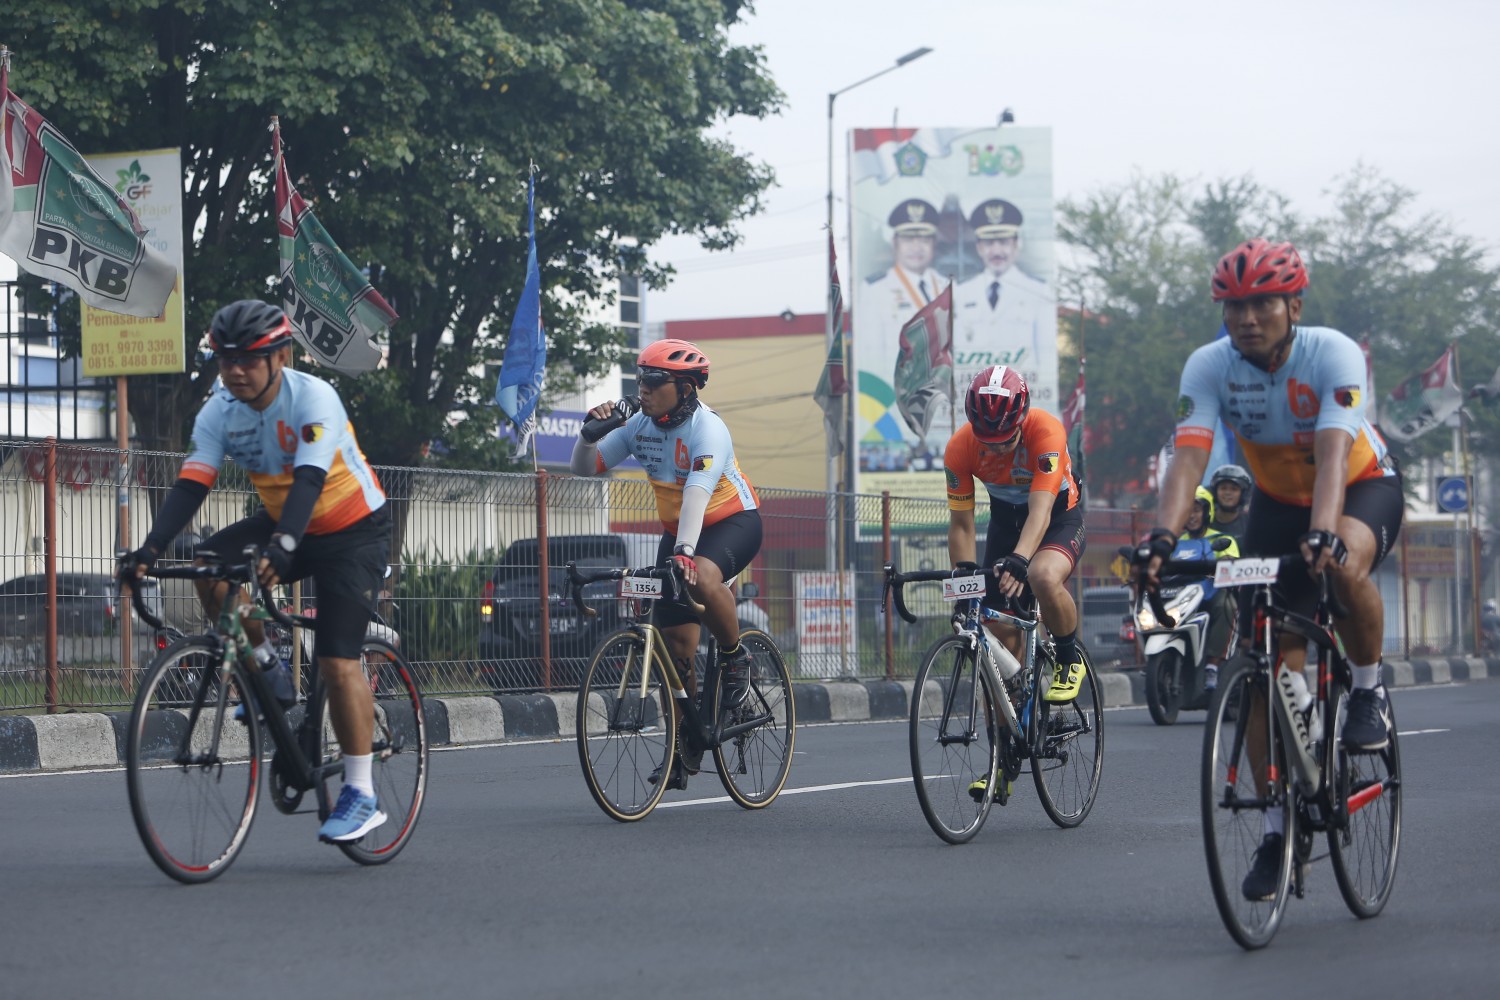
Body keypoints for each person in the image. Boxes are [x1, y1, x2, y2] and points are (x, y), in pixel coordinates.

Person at [1137, 238, 1403, 901]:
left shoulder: (1333, 354)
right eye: (1234, 307)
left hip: (1359, 488)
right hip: (1278, 505)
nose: (1247, 318)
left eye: (1262, 304)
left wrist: (1323, 533)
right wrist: (1162, 537)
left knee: (1342, 566)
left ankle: (1366, 689)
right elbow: (1189, 459)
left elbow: (1334, 455)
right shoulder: (1210, 366)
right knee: (1261, 669)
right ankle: (1279, 831)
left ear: (1294, 307)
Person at [118, 300, 392, 844]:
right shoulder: (219, 411)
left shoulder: (313, 397)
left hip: (352, 531)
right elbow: (192, 483)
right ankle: (266, 664)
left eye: (249, 359)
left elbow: (310, 481)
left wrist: (284, 546)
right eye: (226, 360)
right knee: (207, 565)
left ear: (281, 357)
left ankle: (361, 793)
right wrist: (148, 549)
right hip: (283, 520)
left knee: (337, 661)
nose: (236, 371)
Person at [571, 339, 761, 791]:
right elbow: (584, 469)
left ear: (686, 388)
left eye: (655, 381)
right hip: (680, 533)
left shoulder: (707, 429)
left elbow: (696, 494)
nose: (644, 388)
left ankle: (735, 658)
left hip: (732, 522)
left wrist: (685, 554)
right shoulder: (638, 425)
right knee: (675, 647)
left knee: (703, 580)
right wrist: (587, 436)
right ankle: (683, 745)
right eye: (641, 378)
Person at [944, 365, 1087, 801]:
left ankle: (1068, 657)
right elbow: (962, 525)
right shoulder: (959, 448)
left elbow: (1041, 512)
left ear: (1022, 420)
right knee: (994, 644)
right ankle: (1002, 761)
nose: (995, 448)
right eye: (986, 440)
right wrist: (964, 580)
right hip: (1006, 524)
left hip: (1057, 516)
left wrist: (1022, 560)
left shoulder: (1046, 431)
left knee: (1042, 575)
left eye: (1004, 439)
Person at [953, 198, 1055, 394]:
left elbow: (1046, 356)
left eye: (1004, 242)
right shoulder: (961, 293)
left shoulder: (1039, 292)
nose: (997, 251)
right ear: (979, 247)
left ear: (1016, 245)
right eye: (989, 243)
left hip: (1021, 398)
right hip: (975, 399)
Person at [1174, 486, 1241, 691]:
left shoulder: (1221, 539)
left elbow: (1231, 564)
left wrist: (1223, 565)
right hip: (1180, 599)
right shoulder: (1174, 543)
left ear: (1207, 511)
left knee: (1226, 604)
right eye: (1187, 510)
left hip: (1210, 598)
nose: (1191, 516)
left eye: (1196, 510)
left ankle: (1212, 665)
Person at [1208, 462, 1253, 545]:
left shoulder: (1251, 524)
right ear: (1215, 492)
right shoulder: (1205, 521)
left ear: (1243, 494)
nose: (1228, 493)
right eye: (1223, 488)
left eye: (1234, 489)